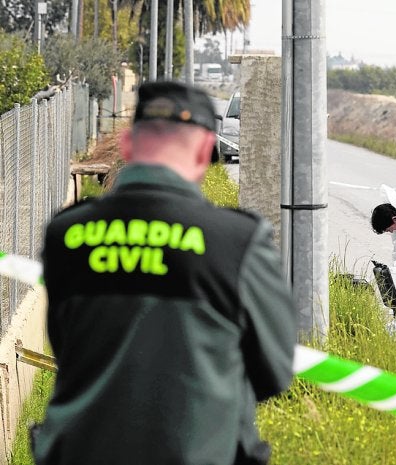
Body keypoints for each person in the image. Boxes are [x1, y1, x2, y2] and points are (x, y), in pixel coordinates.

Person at [34, 81, 297, 465]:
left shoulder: (66, 233)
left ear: (127, 146)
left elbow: (66, 343)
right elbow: (274, 372)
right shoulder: (236, 242)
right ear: (207, 151)